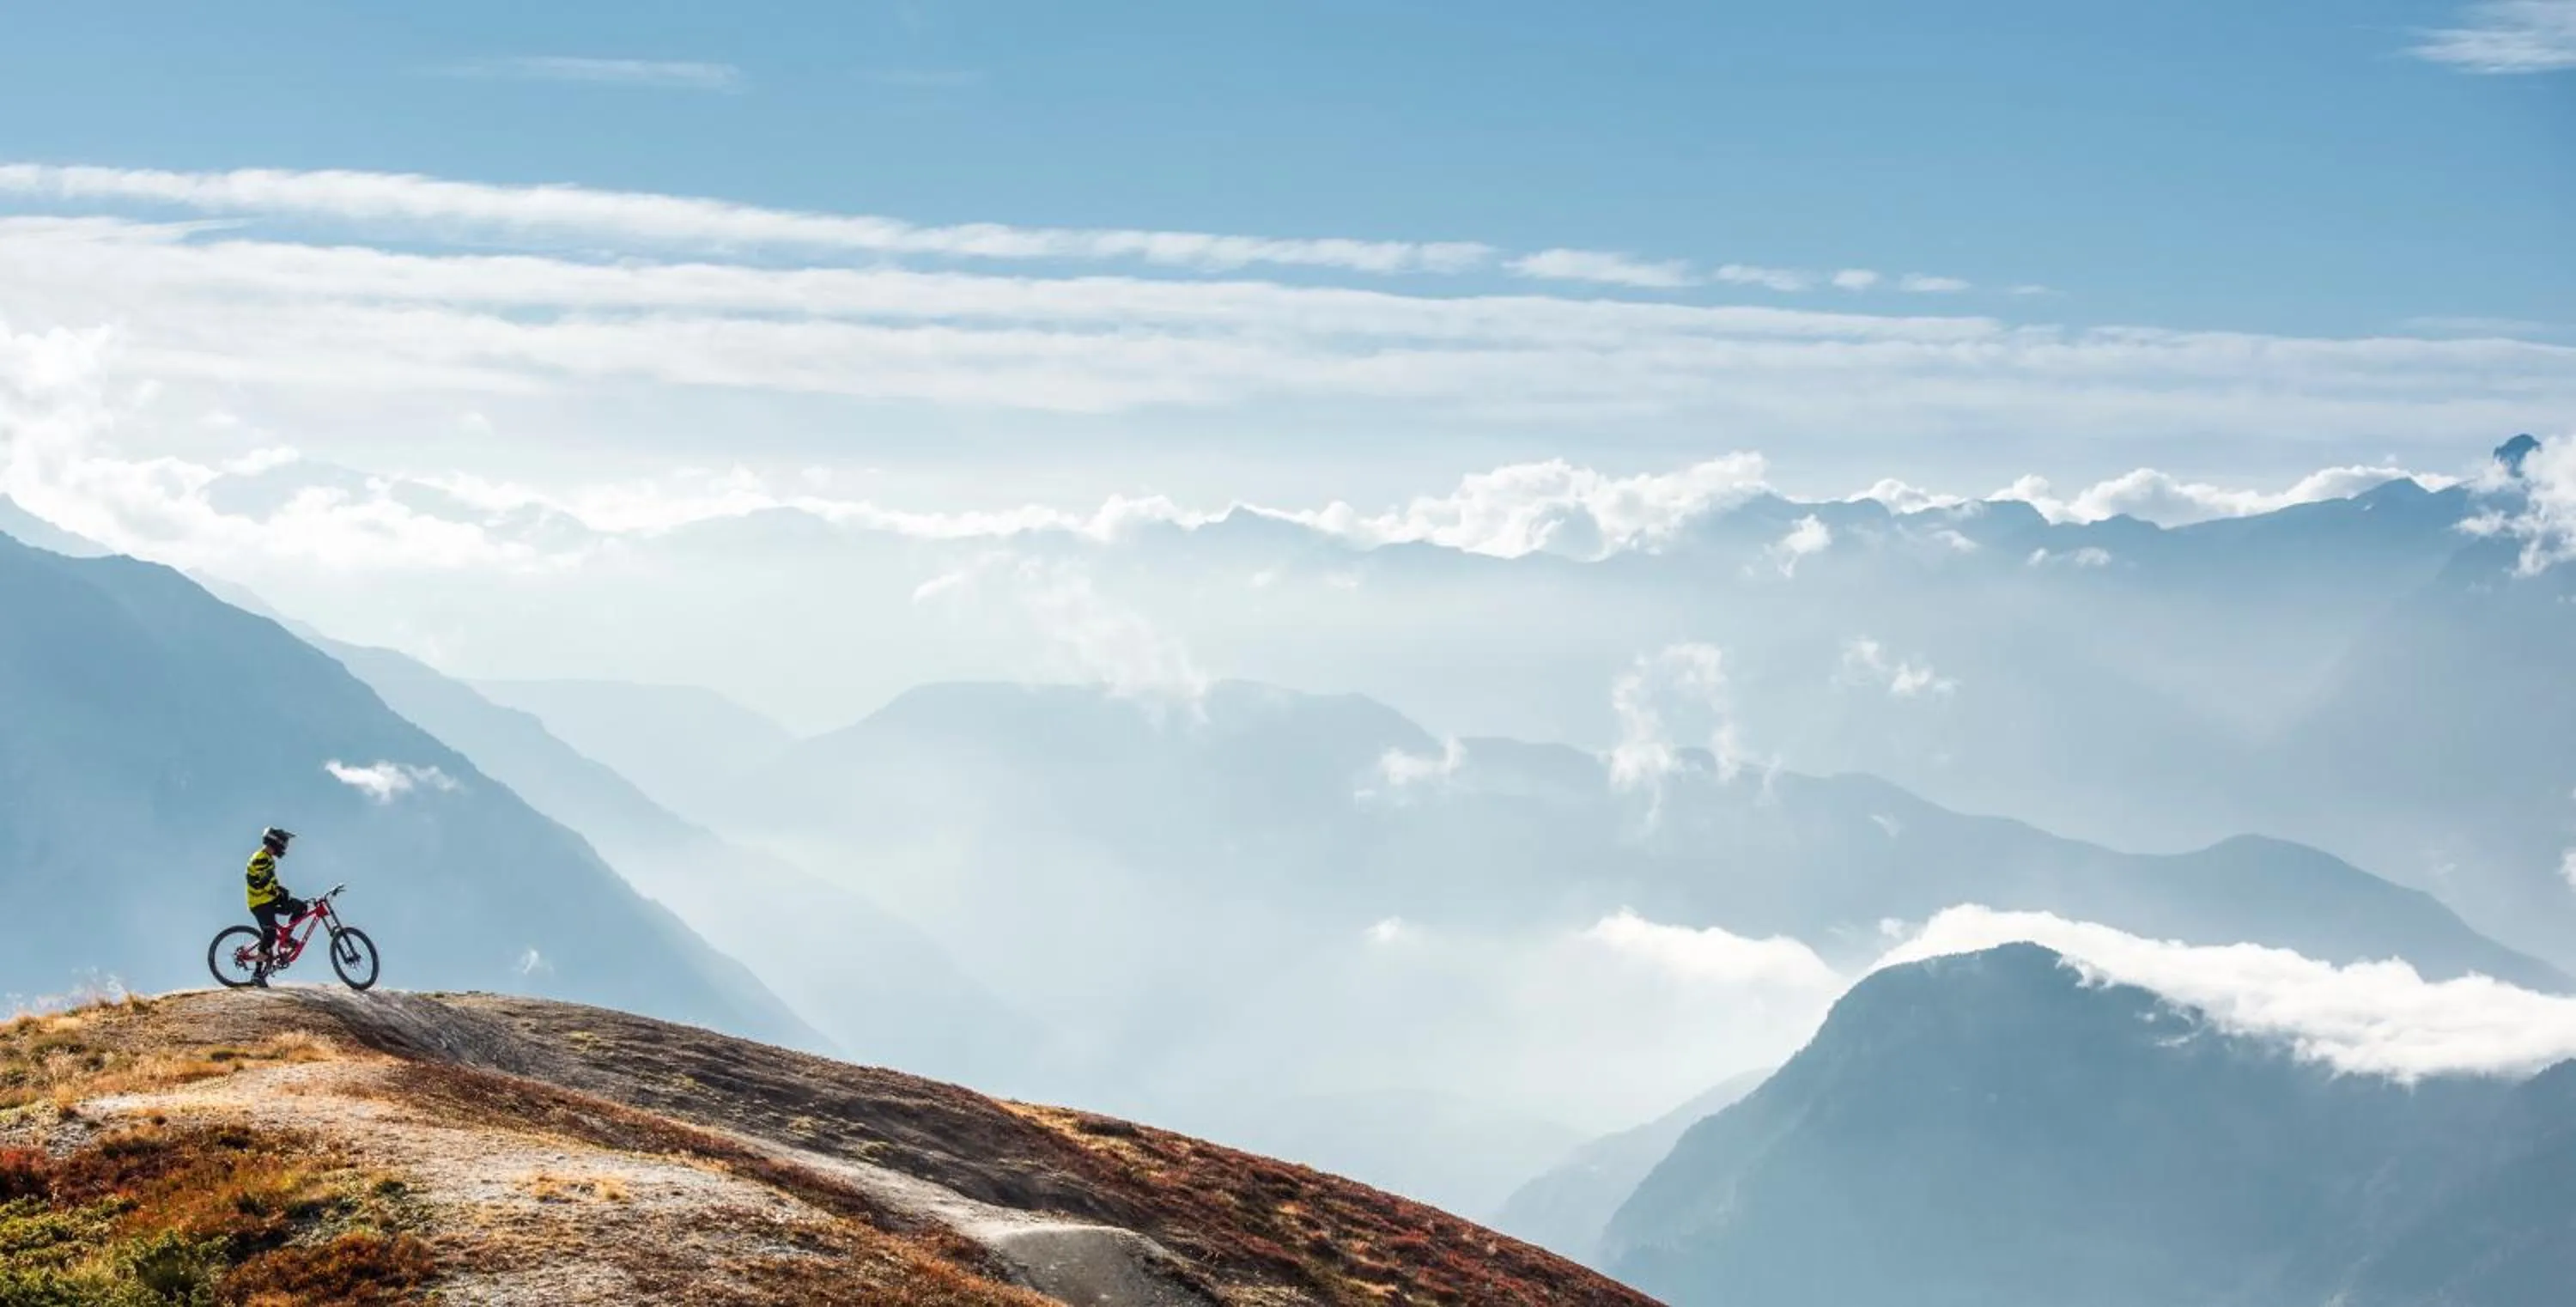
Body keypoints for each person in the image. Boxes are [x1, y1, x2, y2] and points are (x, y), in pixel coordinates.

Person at [246, 827, 307, 983]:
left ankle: (286, 939)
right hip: (260, 903)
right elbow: (262, 883)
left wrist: (280, 890)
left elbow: (268, 881)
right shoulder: (261, 858)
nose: (285, 847)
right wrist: (278, 893)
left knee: (300, 907)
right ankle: (257, 974)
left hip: (269, 899)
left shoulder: (268, 858)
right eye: (284, 843)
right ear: (276, 842)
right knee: (270, 935)